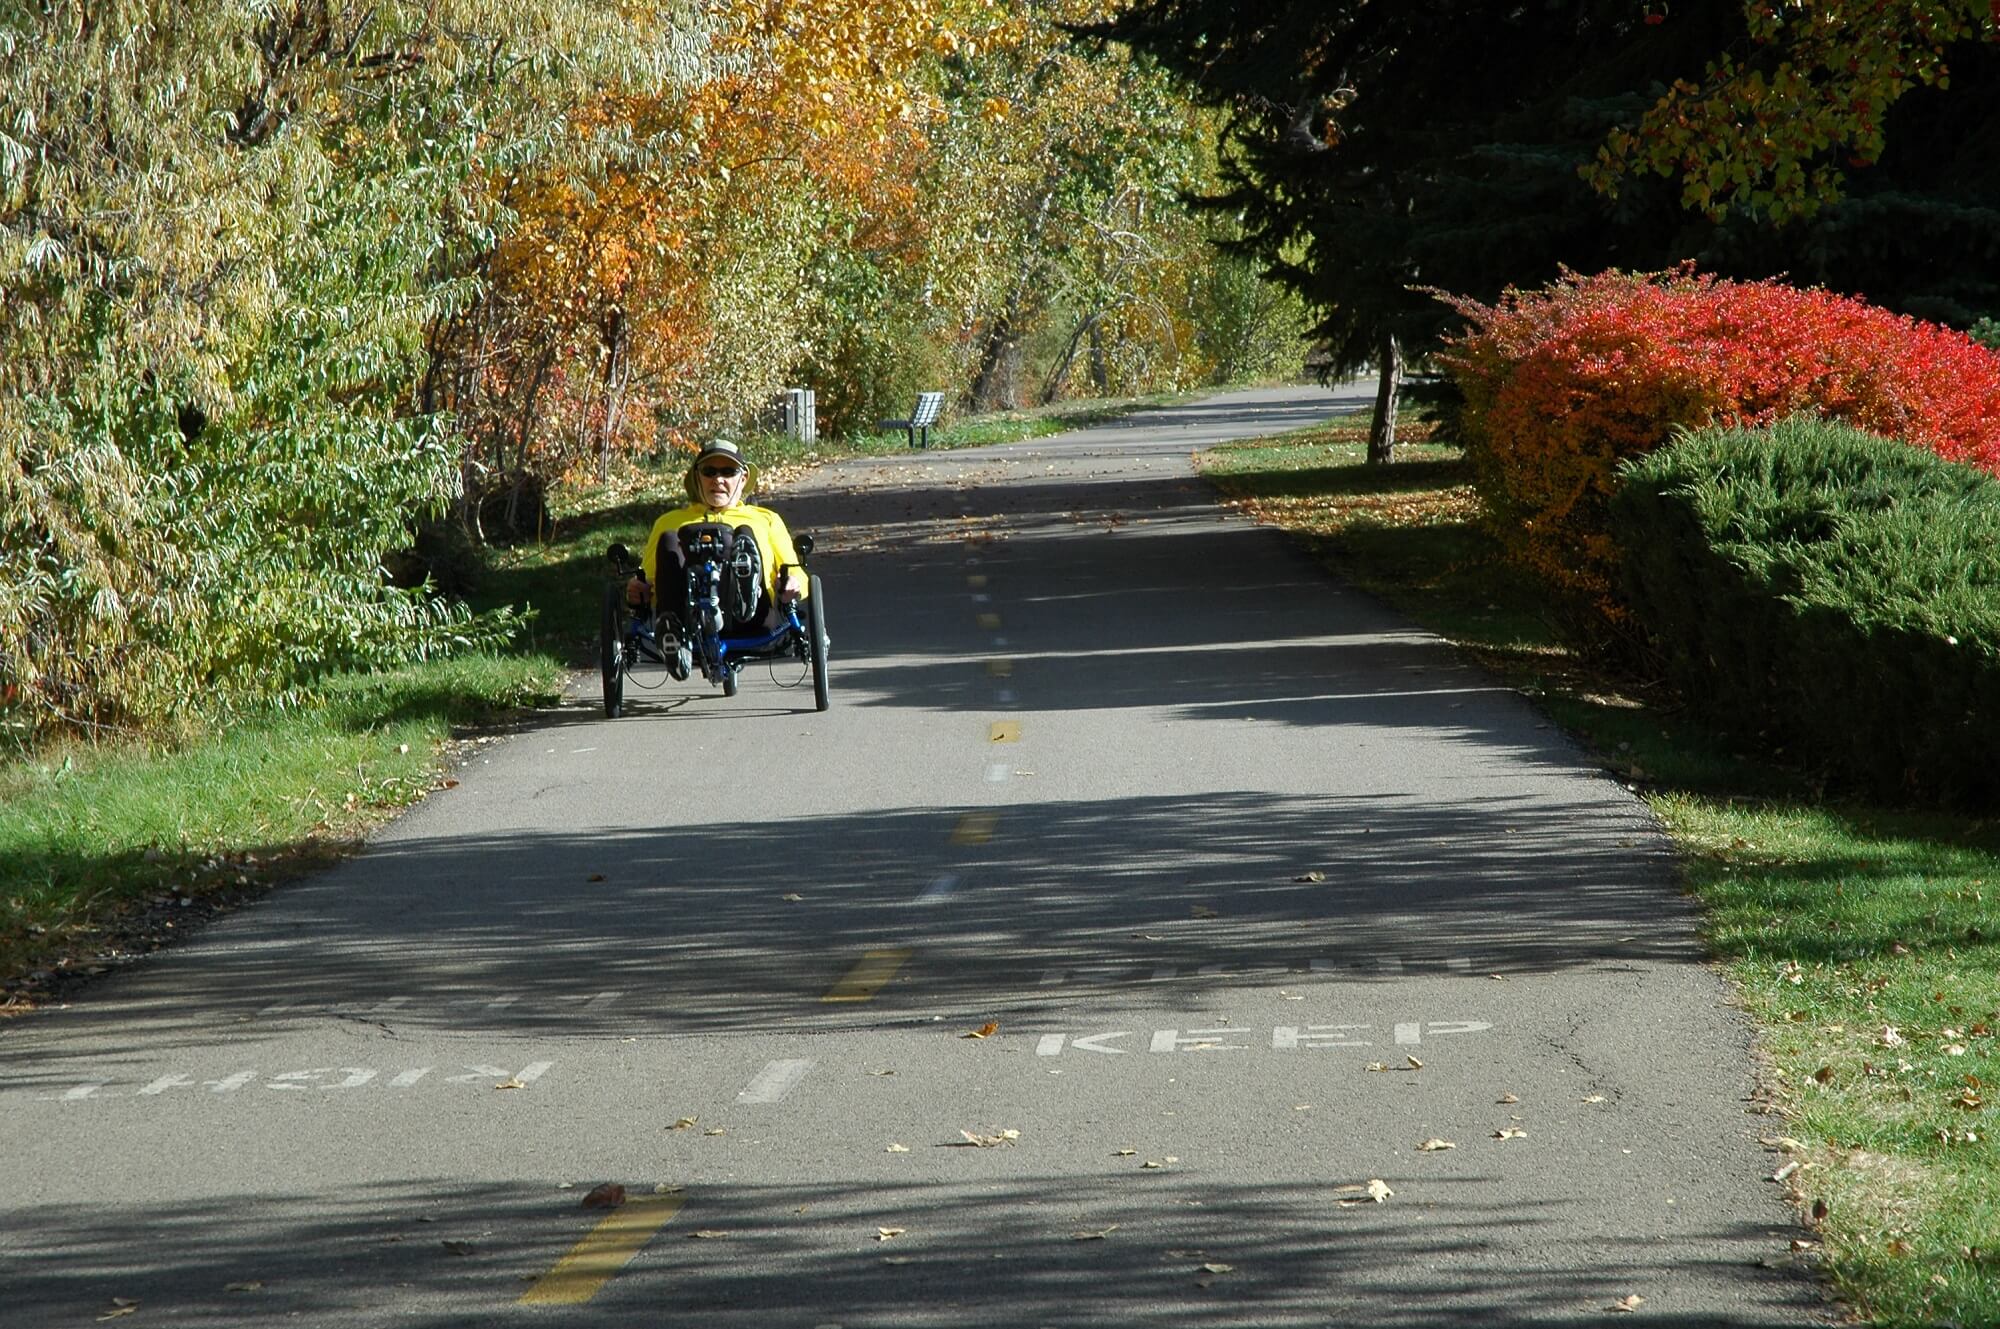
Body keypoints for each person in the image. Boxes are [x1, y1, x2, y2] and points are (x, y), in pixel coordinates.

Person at [633, 439, 808, 634]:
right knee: (670, 539)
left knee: (744, 533)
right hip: (686, 621)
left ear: (742, 478)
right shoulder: (669, 521)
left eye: (728, 472)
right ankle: (673, 624)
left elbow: (795, 573)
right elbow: (646, 578)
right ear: (697, 477)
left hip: (751, 622)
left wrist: (793, 584)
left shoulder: (765, 519)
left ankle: (744, 600)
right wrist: (637, 589)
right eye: (709, 472)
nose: (718, 479)